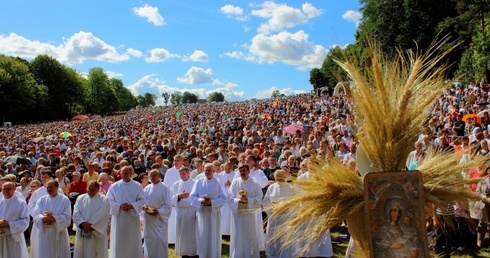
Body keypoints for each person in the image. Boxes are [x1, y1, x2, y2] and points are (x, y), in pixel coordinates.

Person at [106, 166, 145, 258]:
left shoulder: (137, 186)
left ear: (131, 173)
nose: (123, 175)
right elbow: (108, 200)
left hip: (132, 218)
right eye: (122, 173)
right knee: (119, 240)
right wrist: (119, 205)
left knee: (132, 240)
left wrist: (132, 205)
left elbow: (142, 200)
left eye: (126, 173)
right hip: (119, 218)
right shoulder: (115, 186)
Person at [190, 163, 227, 258]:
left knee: (213, 235)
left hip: (213, 214)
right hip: (203, 213)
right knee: (203, 235)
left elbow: (223, 198)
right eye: (206, 170)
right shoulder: (199, 182)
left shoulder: (218, 182)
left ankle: (214, 255)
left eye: (209, 170)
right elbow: (192, 196)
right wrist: (201, 201)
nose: (207, 172)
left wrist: (212, 202)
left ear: (214, 171)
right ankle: (203, 255)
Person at [228, 163, 263, 258]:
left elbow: (259, 198)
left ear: (248, 171)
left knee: (249, 234)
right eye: (241, 171)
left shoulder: (255, 183)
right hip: (238, 213)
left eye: (244, 171)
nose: (242, 173)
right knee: (238, 234)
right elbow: (230, 197)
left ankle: (249, 254)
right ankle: (238, 254)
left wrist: (249, 200)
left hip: (248, 214)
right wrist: (238, 201)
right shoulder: (235, 183)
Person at [31, 180, 71, 258]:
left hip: (58, 231)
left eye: (51, 187)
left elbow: (67, 215)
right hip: (44, 232)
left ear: (57, 187)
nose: (49, 189)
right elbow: (36, 214)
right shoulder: (42, 200)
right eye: (47, 187)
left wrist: (55, 219)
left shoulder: (64, 200)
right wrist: (43, 218)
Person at [72, 180, 110, 258]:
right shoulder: (80, 198)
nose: (89, 191)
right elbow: (76, 212)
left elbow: (103, 216)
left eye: (92, 189)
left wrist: (91, 226)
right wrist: (82, 223)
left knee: (96, 252)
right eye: (88, 189)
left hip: (95, 232)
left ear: (97, 189)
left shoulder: (104, 200)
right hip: (82, 230)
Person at [262, 170, 296, 258]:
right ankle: (272, 253)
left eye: (281, 178)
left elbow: (295, 201)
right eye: (278, 178)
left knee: (285, 234)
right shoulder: (272, 187)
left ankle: (285, 254)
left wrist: (287, 207)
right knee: (272, 234)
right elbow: (265, 201)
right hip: (274, 215)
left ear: (285, 177)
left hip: (286, 215)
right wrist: (271, 207)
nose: (279, 180)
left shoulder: (290, 188)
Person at [142, 169, 173, 258]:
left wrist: (158, 211)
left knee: (159, 239)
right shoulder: (147, 188)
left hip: (159, 219)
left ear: (159, 176)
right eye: (150, 176)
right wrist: (145, 208)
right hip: (149, 220)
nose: (152, 178)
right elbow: (143, 201)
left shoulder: (165, 188)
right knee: (149, 239)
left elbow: (168, 205)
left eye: (154, 175)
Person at [171, 166, 198, 257]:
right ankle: (183, 252)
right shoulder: (176, 184)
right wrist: (179, 196)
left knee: (192, 232)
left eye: (184, 173)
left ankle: (193, 252)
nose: (182, 175)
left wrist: (190, 197)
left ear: (188, 173)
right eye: (180, 174)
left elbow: (198, 196)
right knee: (181, 232)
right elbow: (171, 198)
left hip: (191, 211)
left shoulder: (195, 183)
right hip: (181, 211)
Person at [0, 181, 29, 258]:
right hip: (1, 236)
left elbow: (25, 221)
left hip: (14, 236)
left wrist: (9, 225)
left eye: (8, 189)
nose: (6, 190)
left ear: (14, 189)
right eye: (4, 189)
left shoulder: (20, 203)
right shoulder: (0, 202)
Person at [163, 154, 184, 244]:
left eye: (178, 160)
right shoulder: (169, 172)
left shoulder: (185, 171)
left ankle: (180, 240)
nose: (176, 162)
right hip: (171, 199)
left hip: (182, 199)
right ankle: (171, 240)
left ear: (182, 161)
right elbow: (166, 185)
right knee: (171, 221)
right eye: (175, 160)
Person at [217, 161, 236, 236]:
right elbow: (218, 185)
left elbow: (236, 184)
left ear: (231, 168)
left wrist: (230, 184)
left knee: (229, 214)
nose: (227, 170)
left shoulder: (234, 175)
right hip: (223, 197)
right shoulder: (220, 175)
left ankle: (229, 231)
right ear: (223, 168)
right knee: (223, 214)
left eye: (229, 169)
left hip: (230, 197)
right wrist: (224, 184)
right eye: (226, 169)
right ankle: (222, 231)